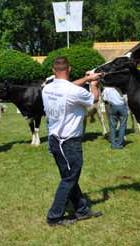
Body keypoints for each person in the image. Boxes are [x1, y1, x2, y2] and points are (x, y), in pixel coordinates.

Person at [42, 56, 103, 226]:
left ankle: (81, 210)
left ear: (54, 71)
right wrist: (93, 84)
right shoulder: (75, 91)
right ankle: (54, 216)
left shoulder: (47, 88)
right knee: (70, 178)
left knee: (69, 176)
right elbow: (95, 99)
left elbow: (68, 87)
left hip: (54, 140)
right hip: (68, 142)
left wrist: (86, 78)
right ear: (68, 69)